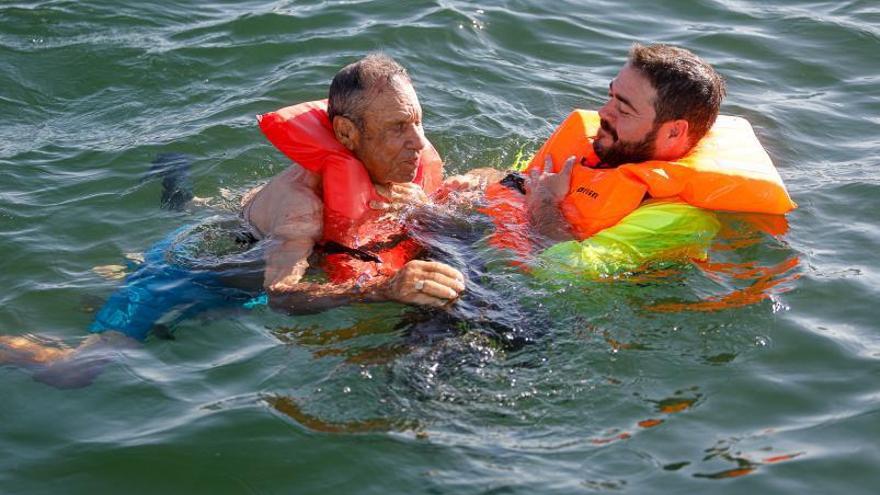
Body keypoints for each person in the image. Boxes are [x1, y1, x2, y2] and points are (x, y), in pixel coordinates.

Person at [243, 53, 467, 313]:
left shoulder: (403, 173)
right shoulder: (302, 208)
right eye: (398, 127)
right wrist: (384, 290)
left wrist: (426, 210)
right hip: (235, 263)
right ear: (346, 132)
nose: (419, 142)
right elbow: (280, 295)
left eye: (418, 122)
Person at [524, 43, 727, 242]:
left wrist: (544, 202)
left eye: (624, 110)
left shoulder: (674, 220)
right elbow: (514, 181)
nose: (603, 112)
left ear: (674, 132)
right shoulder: (613, 150)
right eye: (611, 96)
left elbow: (565, 269)